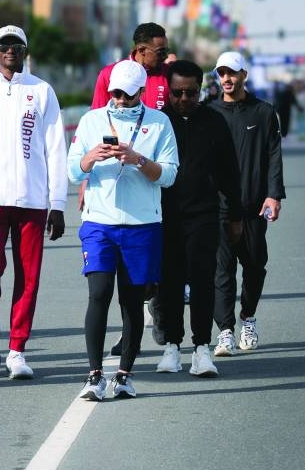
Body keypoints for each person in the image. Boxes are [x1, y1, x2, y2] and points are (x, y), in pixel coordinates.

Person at [0, 25, 68, 380]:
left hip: (31, 199)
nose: (10, 51)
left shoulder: (42, 91)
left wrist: (58, 202)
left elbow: (55, 149)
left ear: (24, 51)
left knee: (28, 277)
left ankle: (18, 349)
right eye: (4, 45)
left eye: (17, 46)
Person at [67, 60, 178, 401]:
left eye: (128, 96)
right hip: (100, 222)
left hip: (142, 225)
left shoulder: (159, 123)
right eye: (115, 93)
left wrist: (139, 160)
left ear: (142, 92)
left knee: (131, 302)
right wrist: (90, 158)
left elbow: (170, 175)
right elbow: (73, 171)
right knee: (98, 293)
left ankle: (125, 375)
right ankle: (94, 374)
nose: (120, 100)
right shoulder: (91, 120)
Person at [153, 59, 242, 378]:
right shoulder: (158, 122)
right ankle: (172, 347)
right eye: (177, 93)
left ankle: (202, 348)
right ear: (169, 90)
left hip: (204, 214)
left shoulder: (214, 121)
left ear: (200, 90)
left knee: (203, 281)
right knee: (169, 283)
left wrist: (235, 216)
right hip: (164, 215)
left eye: (191, 92)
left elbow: (230, 173)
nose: (184, 99)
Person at [88, 22, 171, 356]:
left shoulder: (167, 75)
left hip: (158, 172)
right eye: (159, 51)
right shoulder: (110, 74)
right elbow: (97, 120)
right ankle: (131, 332)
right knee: (111, 284)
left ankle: (158, 307)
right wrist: (86, 181)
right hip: (114, 190)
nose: (164, 56)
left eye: (166, 51)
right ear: (140, 50)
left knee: (159, 259)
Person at [208, 51, 285, 356]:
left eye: (232, 73)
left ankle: (247, 318)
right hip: (219, 207)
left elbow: (274, 156)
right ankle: (225, 331)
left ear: (244, 76)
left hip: (254, 205)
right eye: (221, 73)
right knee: (222, 270)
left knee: (254, 265)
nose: (226, 79)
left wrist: (274, 194)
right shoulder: (209, 113)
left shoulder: (263, 112)